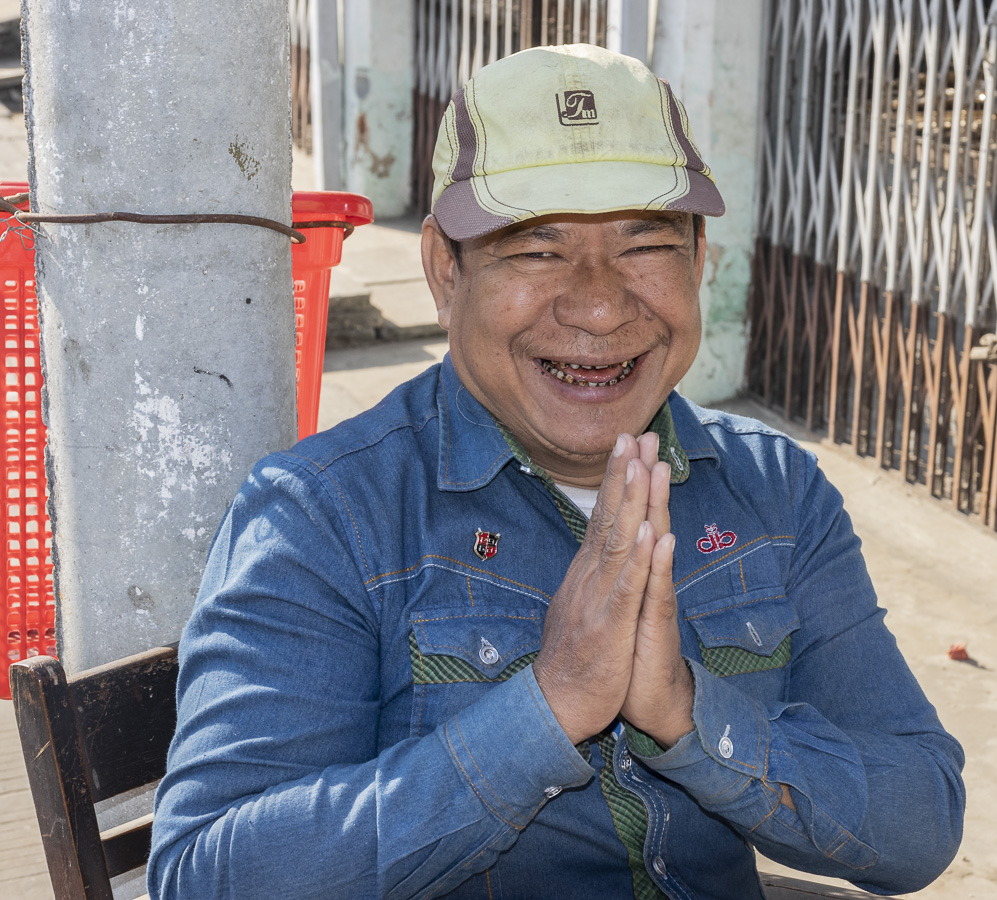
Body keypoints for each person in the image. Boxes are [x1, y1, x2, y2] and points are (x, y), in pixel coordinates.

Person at [148, 44, 964, 900]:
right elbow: (209, 877)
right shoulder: (323, 515)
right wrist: (548, 706)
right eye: (535, 252)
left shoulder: (775, 489)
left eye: (645, 245)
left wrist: (687, 714)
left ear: (700, 261)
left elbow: (917, 825)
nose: (600, 305)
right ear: (442, 269)